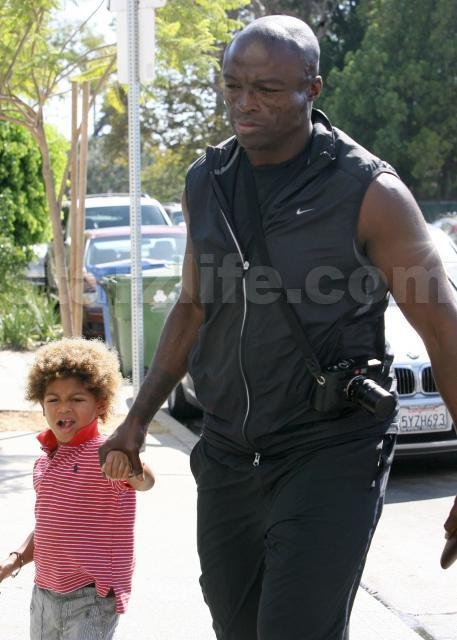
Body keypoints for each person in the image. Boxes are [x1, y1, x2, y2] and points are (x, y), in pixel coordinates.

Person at [99, 15, 457, 640]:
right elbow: (193, 305)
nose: (244, 103)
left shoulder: (369, 192)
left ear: (311, 89)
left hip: (329, 450)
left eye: (265, 89)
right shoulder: (207, 181)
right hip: (229, 454)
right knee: (237, 629)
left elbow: (443, 328)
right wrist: (137, 419)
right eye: (233, 86)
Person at [0, 337, 154, 640]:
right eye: (53, 399)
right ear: (42, 405)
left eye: (77, 399)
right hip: (44, 594)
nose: (64, 408)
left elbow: (146, 481)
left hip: (91, 597)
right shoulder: (45, 461)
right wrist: (15, 559)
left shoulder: (106, 452)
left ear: (101, 404)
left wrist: (129, 465)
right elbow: (48, 526)